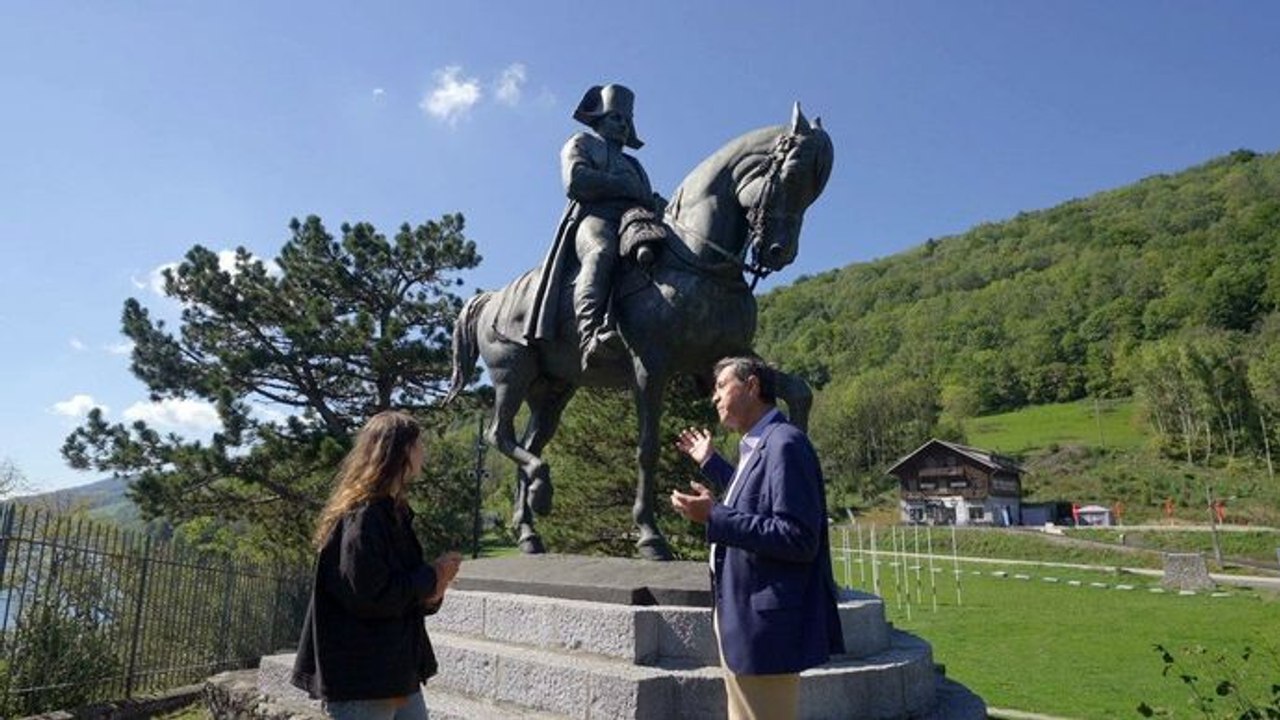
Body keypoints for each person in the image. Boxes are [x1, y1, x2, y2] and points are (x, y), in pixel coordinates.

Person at [671, 356, 844, 720]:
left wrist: (713, 515)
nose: (714, 398)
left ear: (752, 387)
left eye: (722, 387)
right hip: (742, 618)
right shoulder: (761, 443)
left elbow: (798, 537)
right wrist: (711, 462)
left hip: (766, 627)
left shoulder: (785, 443)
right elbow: (753, 501)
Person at [291, 411, 463, 720]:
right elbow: (372, 595)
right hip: (364, 677)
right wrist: (433, 574)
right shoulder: (363, 516)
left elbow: (403, 590)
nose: (423, 451)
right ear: (402, 452)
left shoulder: (393, 512)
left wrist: (435, 589)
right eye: (418, 444)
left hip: (396, 670)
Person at [528, 83, 661, 370]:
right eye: (617, 118)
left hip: (635, 222)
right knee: (601, 252)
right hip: (595, 217)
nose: (623, 125)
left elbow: (647, 198)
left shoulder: (634, 164)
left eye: (627, 121)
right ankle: (590, 336)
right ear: (599, 120)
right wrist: (621, 185)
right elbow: (575, 180)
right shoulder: (582, 143)